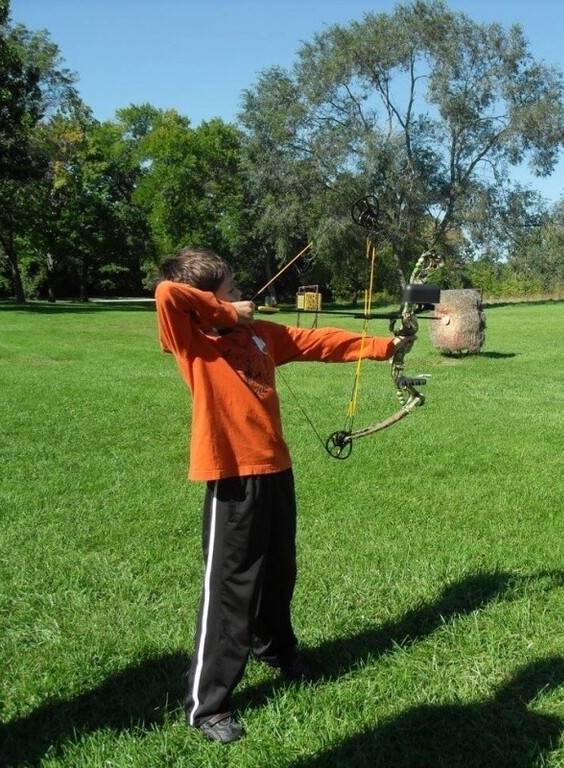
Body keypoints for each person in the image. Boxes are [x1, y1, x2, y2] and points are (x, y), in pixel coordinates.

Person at [154, 247, 407, 744]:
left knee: (279, 570)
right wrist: (223, 311)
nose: (240, 297)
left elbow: (317, 341)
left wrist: (385, 346)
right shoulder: (190, 337)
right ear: (209, 298)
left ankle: (273, 647)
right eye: (229, 289)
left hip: (276, 466)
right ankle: (209, 705)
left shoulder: (260, 335)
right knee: (230, 589)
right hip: (231, 473)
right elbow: (167, 292)